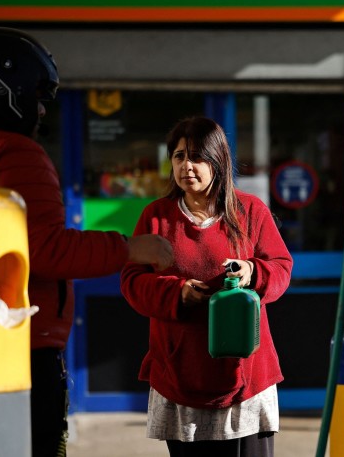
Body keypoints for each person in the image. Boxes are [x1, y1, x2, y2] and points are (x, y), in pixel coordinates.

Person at [0, 27, 174, 457]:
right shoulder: (13, 151)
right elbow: (40, 249)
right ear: (6, 83)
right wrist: (131, 248)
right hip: (18, 349)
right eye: (39, 95)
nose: (42, 110)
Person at [120, 116, 293, 457]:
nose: (187, 166)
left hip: (246, 378)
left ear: (217, 161)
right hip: (180, 374)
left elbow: (281, 269)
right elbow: (132, 282)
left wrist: (251, 272)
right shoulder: (156, 216)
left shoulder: (250, 212)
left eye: (197, 157)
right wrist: (177, 293)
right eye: (179, 156)